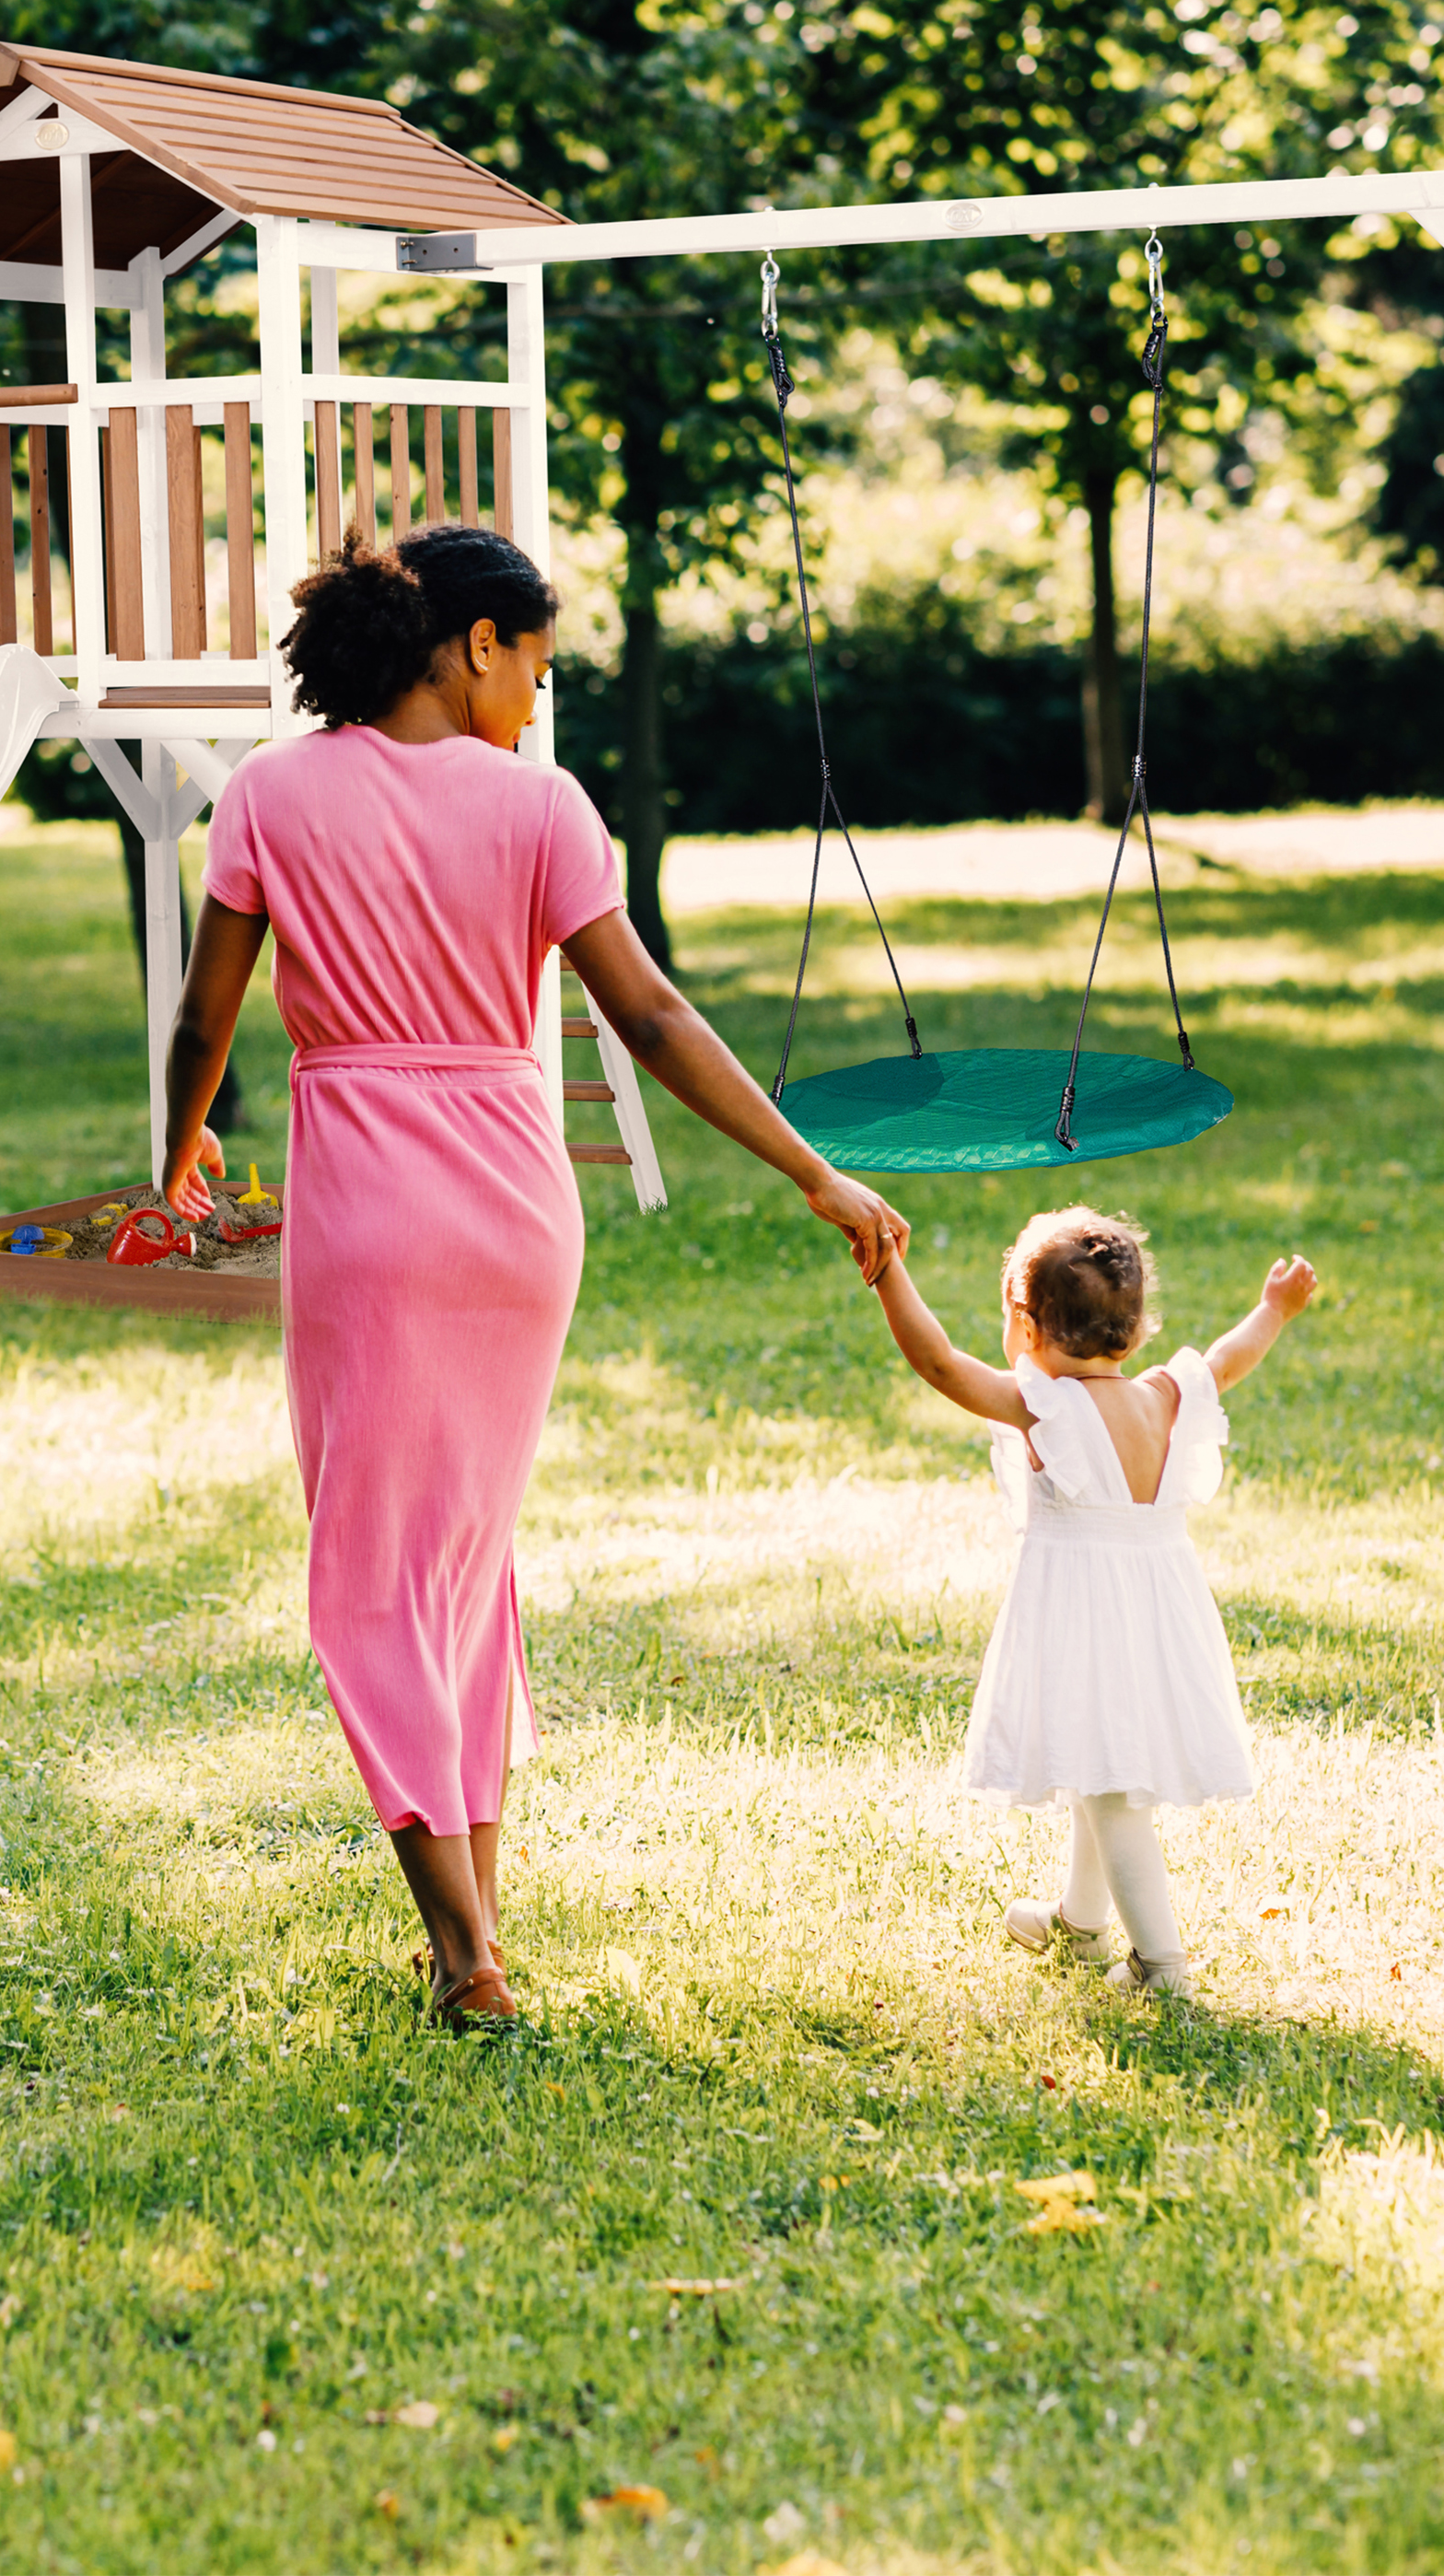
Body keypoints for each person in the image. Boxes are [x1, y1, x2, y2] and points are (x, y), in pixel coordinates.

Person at [159, 526, 909, 2030]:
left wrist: (175, 1156)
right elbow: (654, 1018)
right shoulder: (543, 807)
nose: (535, 701)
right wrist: (811, 1169)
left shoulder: (269, 796)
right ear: (475, 644)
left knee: (374, 1578)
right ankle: (478, 1928)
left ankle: (464, 1956)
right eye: (536, 669)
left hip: (369, 1213)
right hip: (516, 1214)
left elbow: (204, 1020)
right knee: (462, 1562)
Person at [866, 1207, 1319, 1997]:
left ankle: (1161, 1966)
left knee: (1112, 1793)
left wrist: (887, 1271)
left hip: (1087, 1622)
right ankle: (1079, 1922)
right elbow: (1228, 1357)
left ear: (1026, 1326)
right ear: (1134, 1330)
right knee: (1095, 1762)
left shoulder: (1046, 1408)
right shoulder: (1165, 1396)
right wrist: (1273, 1309)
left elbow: (938, 1362)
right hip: (1159, 1619)